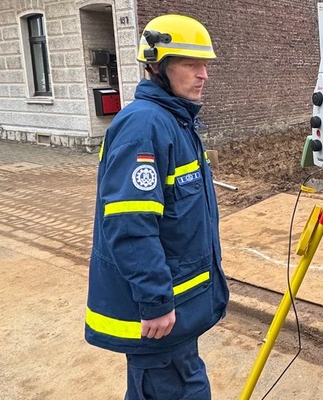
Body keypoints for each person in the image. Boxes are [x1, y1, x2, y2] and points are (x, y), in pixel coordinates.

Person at [84, 14, 229, 400]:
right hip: (161, 320)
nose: (203, 75)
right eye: (191, 64)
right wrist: (155, 301)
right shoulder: (144, 126)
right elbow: (130, 224)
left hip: (178, 313)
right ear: (157, 67)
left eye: (205, 65)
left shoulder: (175, 121)